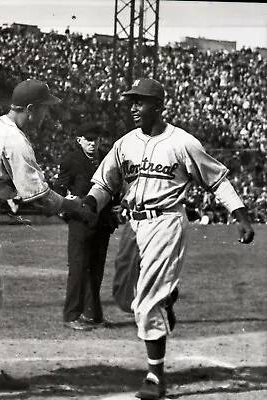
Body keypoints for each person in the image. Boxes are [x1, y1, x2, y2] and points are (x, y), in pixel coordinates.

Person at [83, 78, 255, 399]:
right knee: (125, 297)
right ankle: (167, 298)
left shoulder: (183, 142)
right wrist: (89, 205)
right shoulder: (125, 144)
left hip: (165, 221)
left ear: (159, 106)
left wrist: (241, 216)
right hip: (133, 225)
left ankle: (155, 377)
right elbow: (105, 184)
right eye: (131, 101)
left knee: (146, 304)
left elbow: (217, 180)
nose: (133, 107)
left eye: (141, 101)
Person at [0, 79, 96, 400]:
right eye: (43, 111)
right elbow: (38, 195)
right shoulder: (15, 140)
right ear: (29, 109)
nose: (45, 118)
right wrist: (72, 206)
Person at [54, 122, 118, 331]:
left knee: (96, 270)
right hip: (80, 219)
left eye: (95, 139)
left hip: (103, 219)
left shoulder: (107, 158)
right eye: (88, 139)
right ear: (79, 140)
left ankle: (93, 314)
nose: (92, 143)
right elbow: (59, 186)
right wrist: (67, 201)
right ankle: (71, 315)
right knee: (79, 268)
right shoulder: (71, 160)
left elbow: (114, 183)